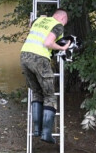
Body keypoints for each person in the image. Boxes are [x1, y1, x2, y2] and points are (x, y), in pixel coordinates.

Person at [20, 8, 70, 144]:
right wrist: (62, 48)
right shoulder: (58, 25)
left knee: (37, 92)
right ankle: (46, 134)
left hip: (24, 55)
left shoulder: (40, 20)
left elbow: (31, 25)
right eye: (65, 23)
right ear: (63, 18)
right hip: (39, 58)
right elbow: (47, 43)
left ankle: (37, 129)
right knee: (50, 96)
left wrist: (40, 17)